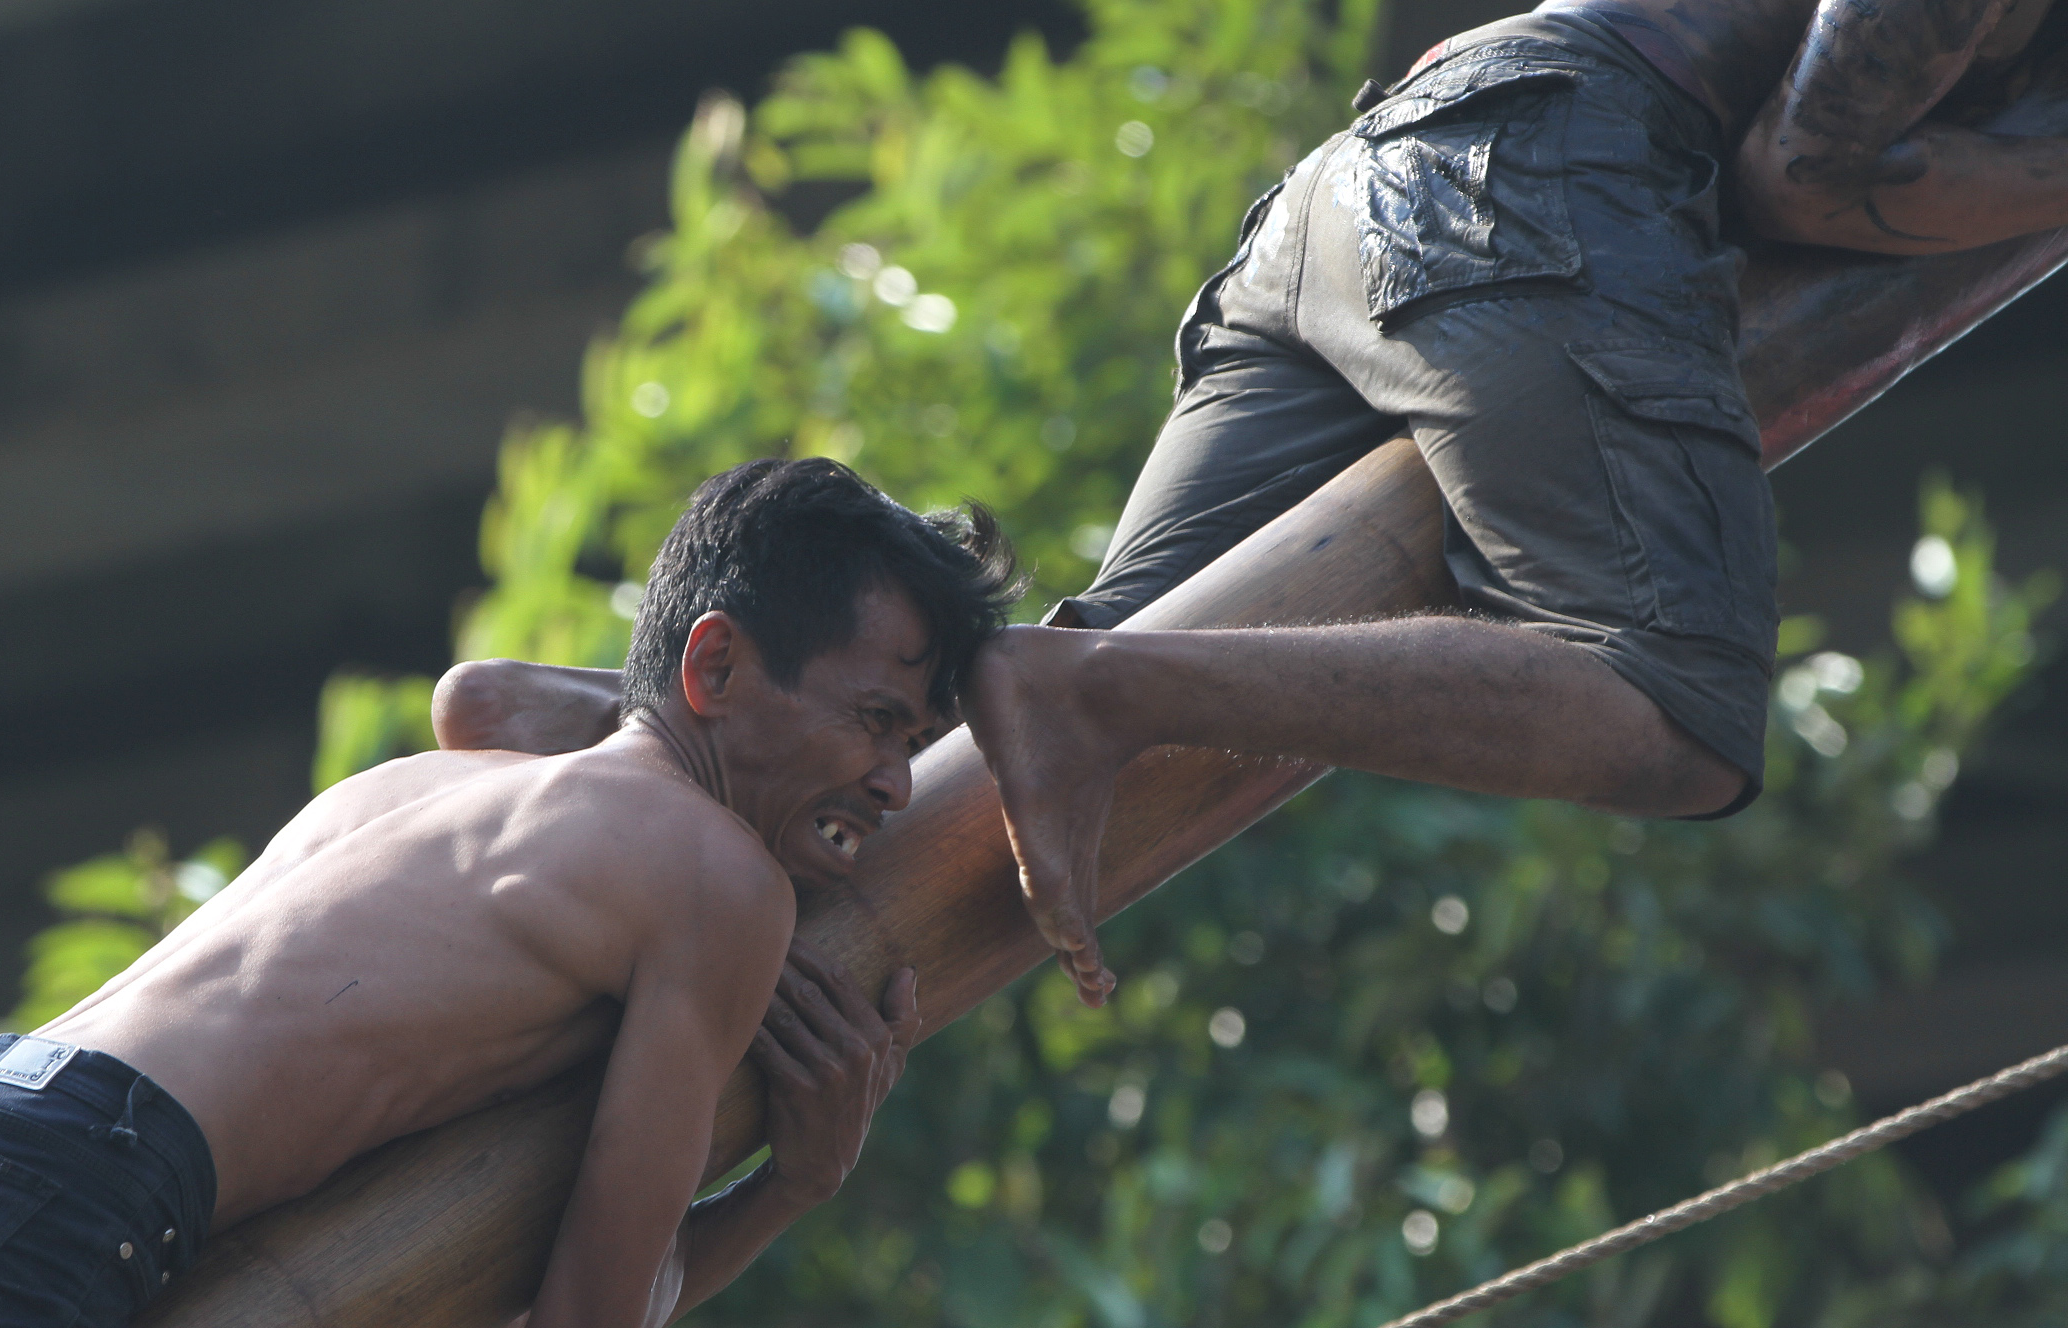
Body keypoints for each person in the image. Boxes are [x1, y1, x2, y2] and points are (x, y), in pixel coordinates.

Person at [443, 0, 2068, 1008]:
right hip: (1534, 178)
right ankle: (1100, 680)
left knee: (982, 782)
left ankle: (619, 731)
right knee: (1673, 701)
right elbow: (1813, 167)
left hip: (1390, 200)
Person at [0, 456, 1021, 1328]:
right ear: (717, 662)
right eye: (873, 721)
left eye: (916, 741)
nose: (897, 784)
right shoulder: (719, 884)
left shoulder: (465, 778)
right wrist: (791, 1182)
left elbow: (481, 689)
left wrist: (685, 689)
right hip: (42, 1189)